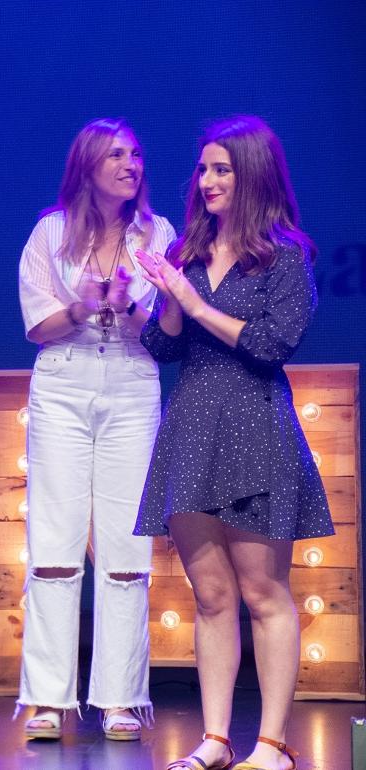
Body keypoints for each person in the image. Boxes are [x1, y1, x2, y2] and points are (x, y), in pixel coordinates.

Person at [135, 115, 331, 770]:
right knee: (211, 595)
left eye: (222, 169)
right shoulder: (188, 252)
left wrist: (194, 304)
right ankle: (217, 740)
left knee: (263, 592)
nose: (208, 180)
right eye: (203, 168)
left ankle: (272, 745)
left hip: (256, 428)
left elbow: (274, 343)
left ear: (253, 174)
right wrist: (169, 294)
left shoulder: (285, 255)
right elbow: (162, 345)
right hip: (192, 428)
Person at [16, 118, 177, 741]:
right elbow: (37, 325)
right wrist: (84, 305)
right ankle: (49, 699)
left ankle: (118, 696)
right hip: (63, 382)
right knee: (54, 543)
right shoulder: (50, 232)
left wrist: (127, 306)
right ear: (87, 165)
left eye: (136, 153)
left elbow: (166, 325)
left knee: (126, 547)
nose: (130, 163)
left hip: (133, 384)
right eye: (115, 155)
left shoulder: (157, 233)